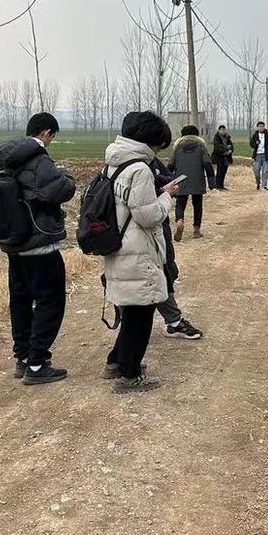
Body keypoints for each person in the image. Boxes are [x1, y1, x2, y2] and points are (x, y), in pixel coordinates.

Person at [100, 111, 181, 392]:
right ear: (149, 140)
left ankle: (115, 362)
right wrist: (167, 197)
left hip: (119, 247)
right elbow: (147, 216)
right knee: (141, 313)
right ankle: (129, 375)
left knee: (132, 309)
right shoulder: (140, 169)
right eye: (159, 145)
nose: (158, 151)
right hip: (138, 251)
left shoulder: (113, 163)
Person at [0, 113, 77, 385]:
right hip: (40, 244)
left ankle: (23, 358)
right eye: (53, 137)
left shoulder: (4, 160)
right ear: (47, 133)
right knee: (50, 302)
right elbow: (62, 190)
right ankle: (38, 364)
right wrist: (65, 173)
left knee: (20, 301)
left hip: (14, 244)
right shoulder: (39, 160)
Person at [146, 156, 204, 341]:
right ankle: (173, 322)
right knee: (158, 276)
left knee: (164, 273)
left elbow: (166, 174)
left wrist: (166, 183)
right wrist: (164, 193)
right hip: (145, 233)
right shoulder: (135, 166)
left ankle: (172, 321)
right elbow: (145, 211)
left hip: (157, 229)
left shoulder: (150, 160)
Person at [169, 124, 215, 241]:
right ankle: (196, 230)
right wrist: (211, 182)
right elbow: (207, 163)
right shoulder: (201, 147)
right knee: (197, 204)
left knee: (180, 203)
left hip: (181, 178)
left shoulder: (177, 148)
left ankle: (180, 220)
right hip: (197, 178)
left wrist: (168, 180)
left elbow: (171, 165)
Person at [250, 122, 268, 190]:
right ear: (257, 127)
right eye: (260, 126)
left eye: (262, 126)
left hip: (266, 155)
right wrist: (256, 144)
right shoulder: (255, 135)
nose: (261, 127)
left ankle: (264, 186)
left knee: (265, 171)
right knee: (256, 170)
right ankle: (258, 183)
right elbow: (251, 144)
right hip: (257, 155)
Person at [212, 125, 235, 190]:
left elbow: (231, 146)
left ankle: (221, 186)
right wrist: (226, 148)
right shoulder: (216, 138)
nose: (223, 131)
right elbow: (217, 148)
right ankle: (217, 186)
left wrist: (230, 150)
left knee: (224, 171)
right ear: (219, 130)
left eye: (224, 130)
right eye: (222, 130)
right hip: (219, 156)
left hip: (227, 157)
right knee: (220, 171)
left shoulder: (227, 137)